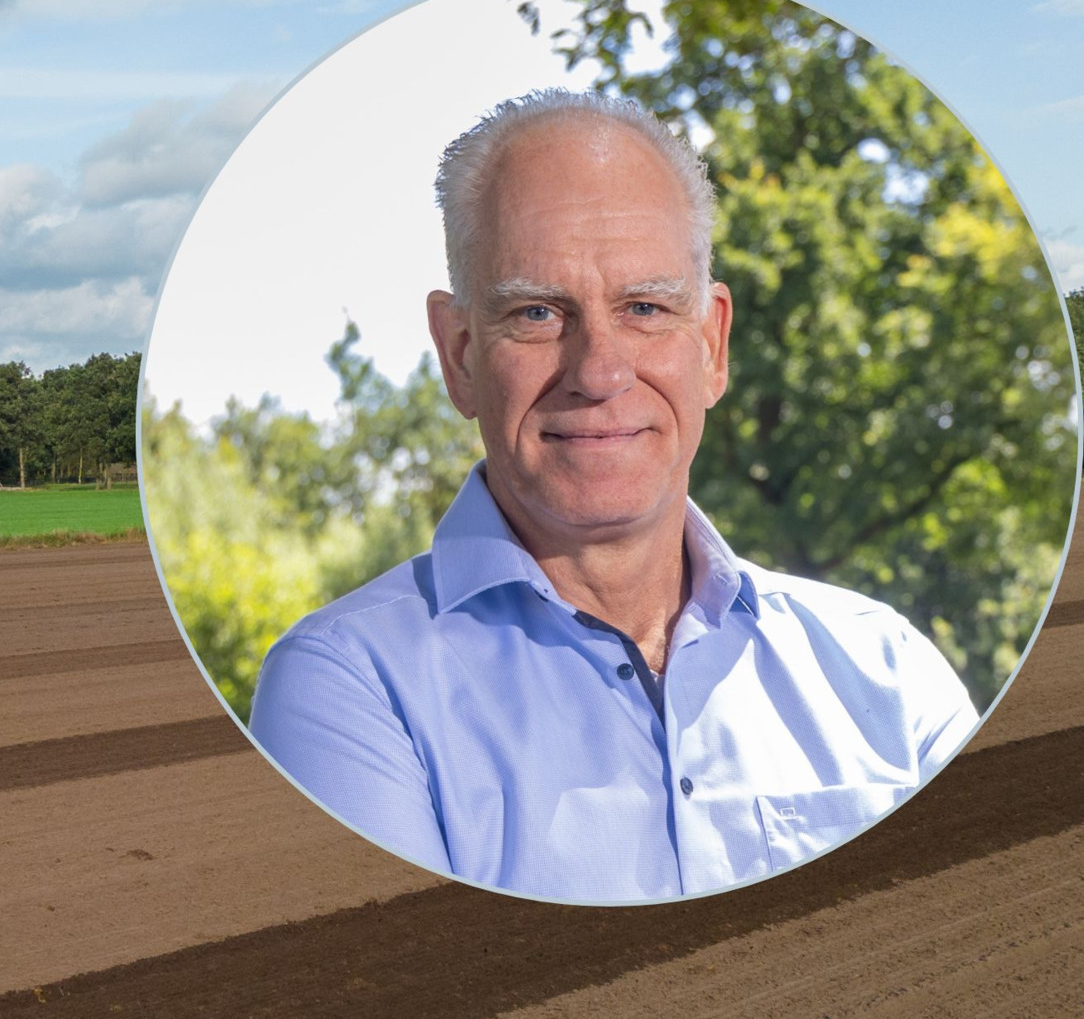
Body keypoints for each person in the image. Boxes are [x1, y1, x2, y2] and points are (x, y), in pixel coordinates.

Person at [248, 89, 976, 903]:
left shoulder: (889, 675)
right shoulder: (350, 691)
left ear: (712, 345)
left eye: (644, 307)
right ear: (459, 355)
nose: (598, 371)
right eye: (536, 312)